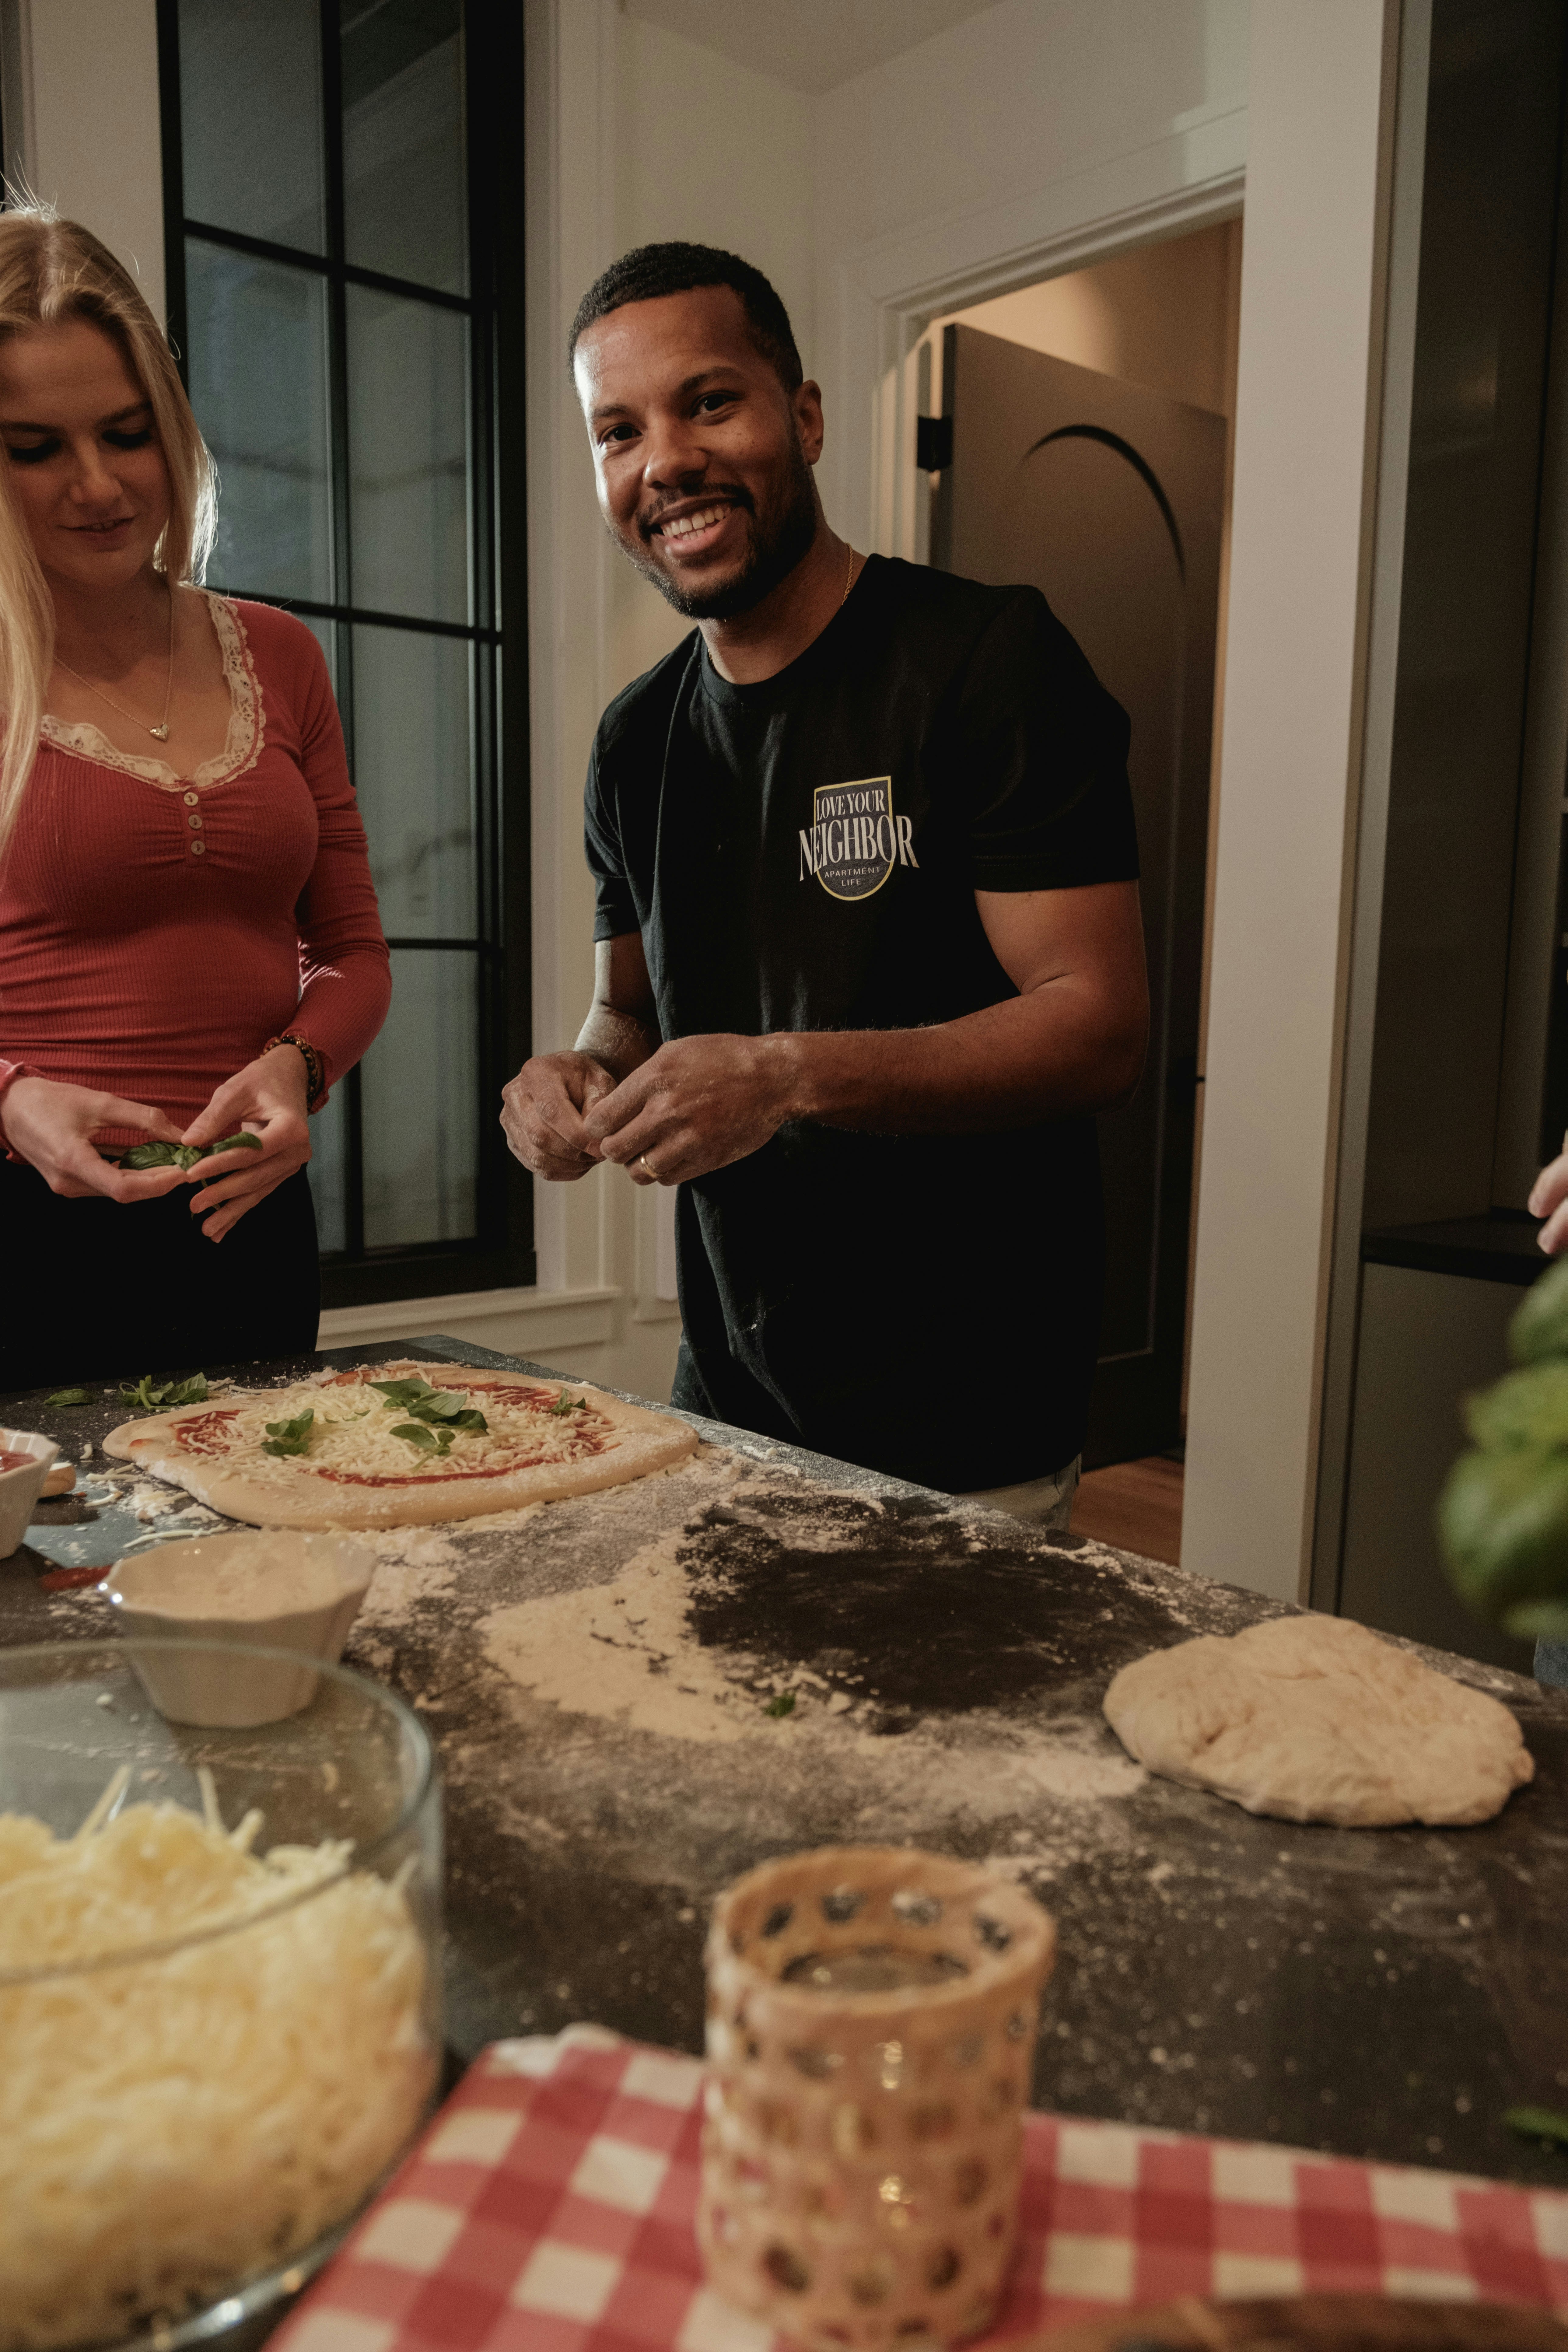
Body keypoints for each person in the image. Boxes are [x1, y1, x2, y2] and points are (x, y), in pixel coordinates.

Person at [502, 242, 1147, 1520]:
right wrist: (574, 1079)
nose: (665, 462)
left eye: (708, 402)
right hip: (726, 1398)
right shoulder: (634, 743)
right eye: (618, 431)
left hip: (969, 1419)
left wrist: (785, 1075)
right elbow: (628, 1010)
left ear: (801, 418)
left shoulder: (989, 660)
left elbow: (1097, 1028)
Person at [0, 211, 389, 1390]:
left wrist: (299, 1067)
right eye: (34, 448)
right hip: (26, 1235)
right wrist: (11, 1101)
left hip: (250, 1223)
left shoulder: (280, 655)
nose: (97, 485)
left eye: (127, 434)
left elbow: (355, 953)